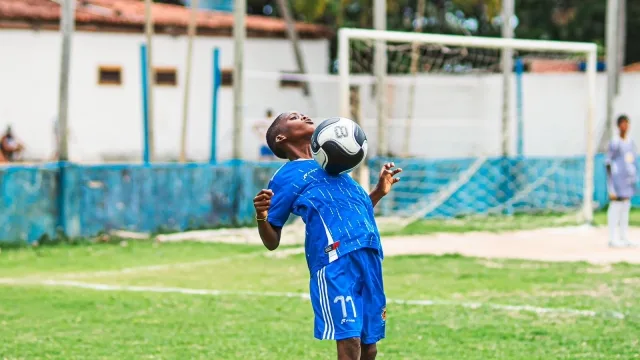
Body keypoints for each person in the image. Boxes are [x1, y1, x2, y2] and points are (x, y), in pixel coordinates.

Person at [252, 111, 402, 360]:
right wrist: (261, 215)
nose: (303, 115)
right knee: (350, 339)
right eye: (293, 117)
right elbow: (272, 241)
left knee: (370, 346)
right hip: (335, 260)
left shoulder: (337, 168)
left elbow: (355, 211)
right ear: (281, 137)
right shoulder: (285, 177)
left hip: (369, 255)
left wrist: (377, 192)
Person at [606, 114, 637, 248]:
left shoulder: (630, 142)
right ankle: (612, 238)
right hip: (617, 181)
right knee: (616, 207)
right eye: (623, 124)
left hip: (627, 180)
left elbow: (631, 160)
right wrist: (610, 185)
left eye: (627, 124)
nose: (625, 126)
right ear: (618, 126)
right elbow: (608, 162)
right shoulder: (615, 142)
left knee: (625, 207)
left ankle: (624, 236)